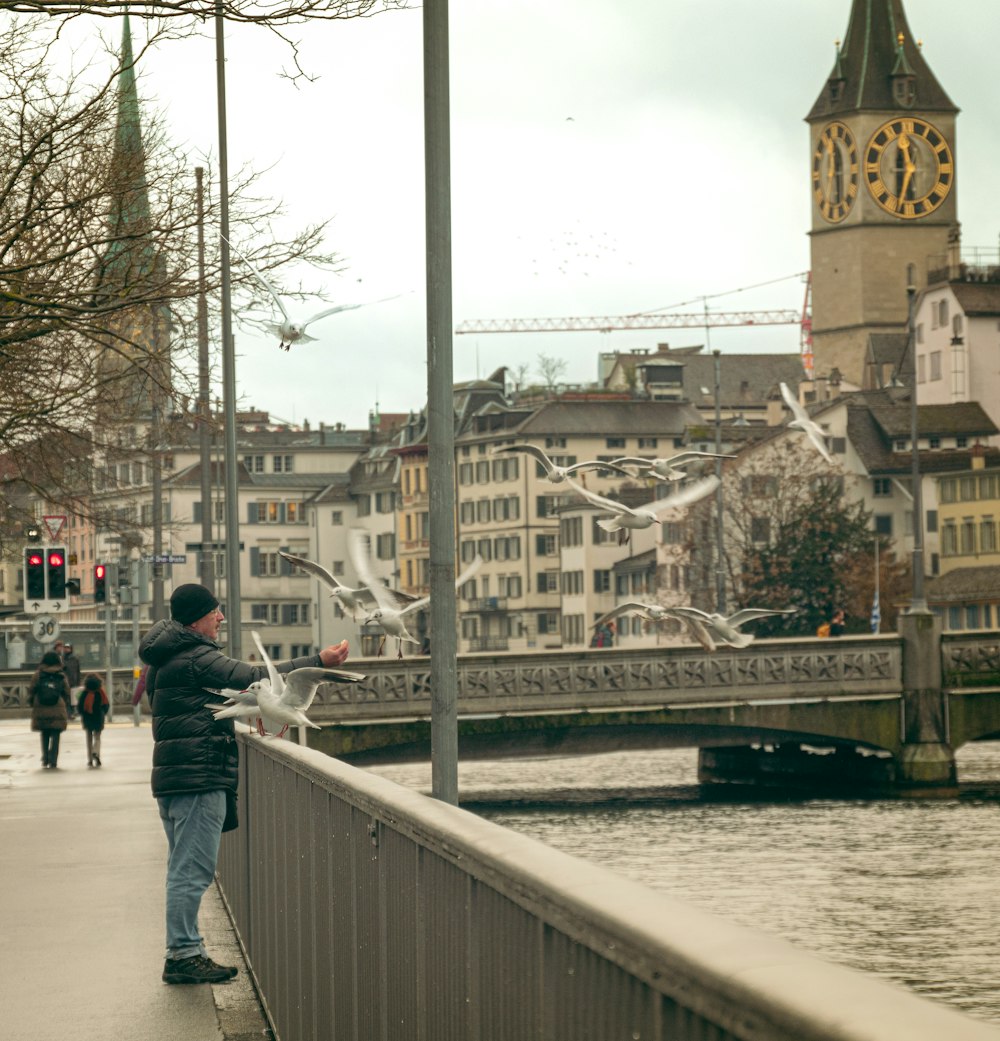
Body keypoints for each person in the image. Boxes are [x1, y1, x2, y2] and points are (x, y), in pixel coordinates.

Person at [139, 582, 350, 986]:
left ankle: (188, 949)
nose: (221, 617)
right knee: (191, 871)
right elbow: (256, 679)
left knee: (181, 868)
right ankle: (183, 955)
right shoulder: (195, 657)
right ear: (197, 618)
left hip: (174, 776)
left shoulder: (164, 659)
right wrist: (318, 661)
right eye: (215, 611)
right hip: (198, 776)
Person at [29, 650, 72, 769]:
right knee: (56, 734)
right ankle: (53, 760)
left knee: (45, 733)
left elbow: (31, 690)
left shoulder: (38, 675)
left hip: (41, 707)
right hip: (57, 707)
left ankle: (45, 758)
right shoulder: (61, 675)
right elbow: (67, 691)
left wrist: (33, 702)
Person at [78, 674, 110, 767]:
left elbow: (80, 706)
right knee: (97, 737)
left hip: (87, 717)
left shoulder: (84, 692)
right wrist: (103, 713)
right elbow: (106, 704)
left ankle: (90, 760)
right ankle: (96, 752)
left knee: (89, 738)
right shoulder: (101, 692)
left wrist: (83, 714)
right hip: (98, 716)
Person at [63, 642, 82, 718]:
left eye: (68, 648)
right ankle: (68, 713)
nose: (66, 649)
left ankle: (71, 713)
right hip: (64, 681)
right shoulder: (62, 658)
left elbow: (78, 671)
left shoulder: (74, 658)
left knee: (73, 698)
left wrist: (78, 681)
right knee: (66, 698)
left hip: (73, 681)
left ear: (71, 649)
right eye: (65, 648)